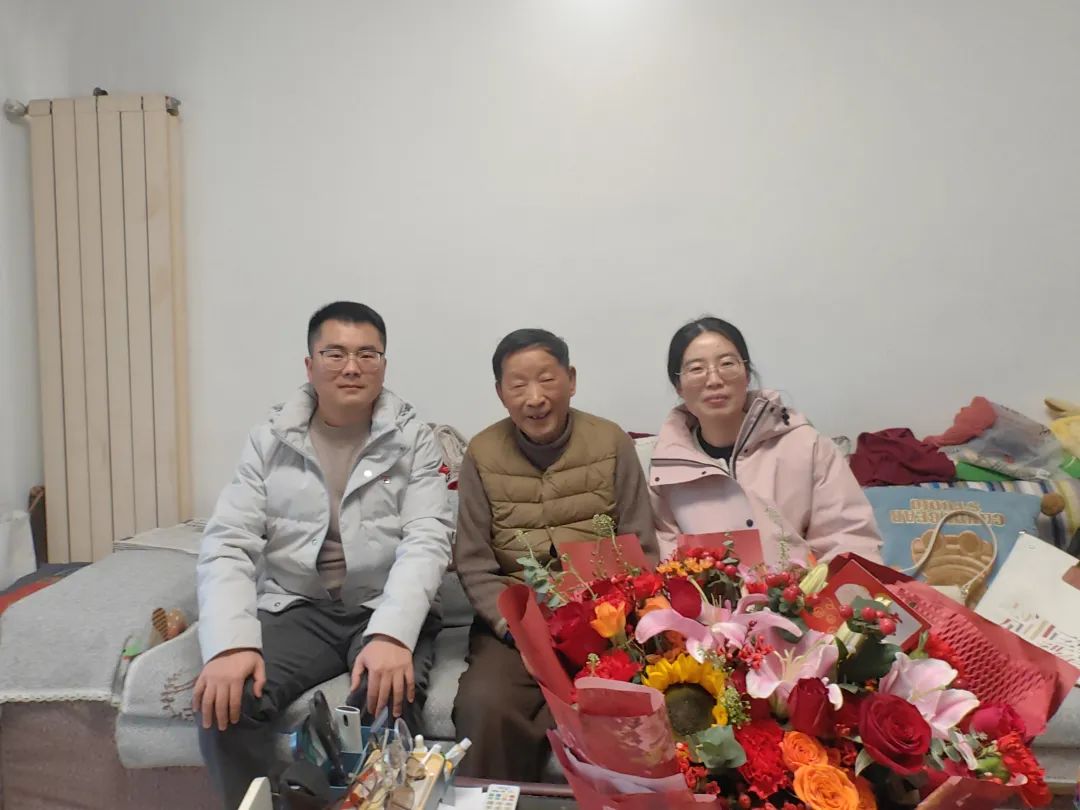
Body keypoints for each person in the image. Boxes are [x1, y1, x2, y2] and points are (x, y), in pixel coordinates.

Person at [194, 301, 453, 808]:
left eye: (367, 354)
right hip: (297, 606)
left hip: (380, 603)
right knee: (227, 703)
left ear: (383, 366)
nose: (351, 367)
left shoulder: (414, 440)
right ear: (310, 365)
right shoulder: (269, 441)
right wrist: (228, 645)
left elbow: (427, 539)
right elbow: (228, 542)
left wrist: (391, 634)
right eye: (335, 354)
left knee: (389, 700)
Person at [452, 328, 659, 782]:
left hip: (605, 621)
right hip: (515, 626)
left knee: (634, 703)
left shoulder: (611, 442)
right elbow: (473, 562)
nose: (535, 398)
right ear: (500, 393)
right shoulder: (482, 454)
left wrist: (611, 621)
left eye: (547, 379)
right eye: (518, 385)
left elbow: (641, 545)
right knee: (484, 705)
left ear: (572, 380)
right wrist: (518, 634)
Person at [649, 316, 882, 563]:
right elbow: (668, 560)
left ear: (747, 375)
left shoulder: (808, 447)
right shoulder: (666, 470)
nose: (714, 380)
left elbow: (849, 541)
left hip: (807, 587)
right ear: (679, 386)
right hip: (706, 590)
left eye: (727, 364)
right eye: (696, 369)